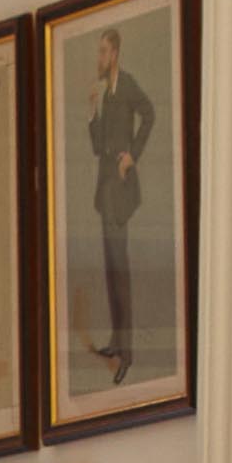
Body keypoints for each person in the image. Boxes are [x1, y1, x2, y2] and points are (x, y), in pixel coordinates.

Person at [85, 28, 156, 385]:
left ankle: (127, 352)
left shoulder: (127, 85)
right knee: (111, 270)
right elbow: (97, 147)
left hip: (121, 190)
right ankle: (116, 339)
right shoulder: (106, 95)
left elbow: (150, 114)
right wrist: (93, 112)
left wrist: (133, 155)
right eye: (98, 52)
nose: (98, 59)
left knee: (122, 271)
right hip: (105, 191)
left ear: (114, 54)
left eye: (102, 52)